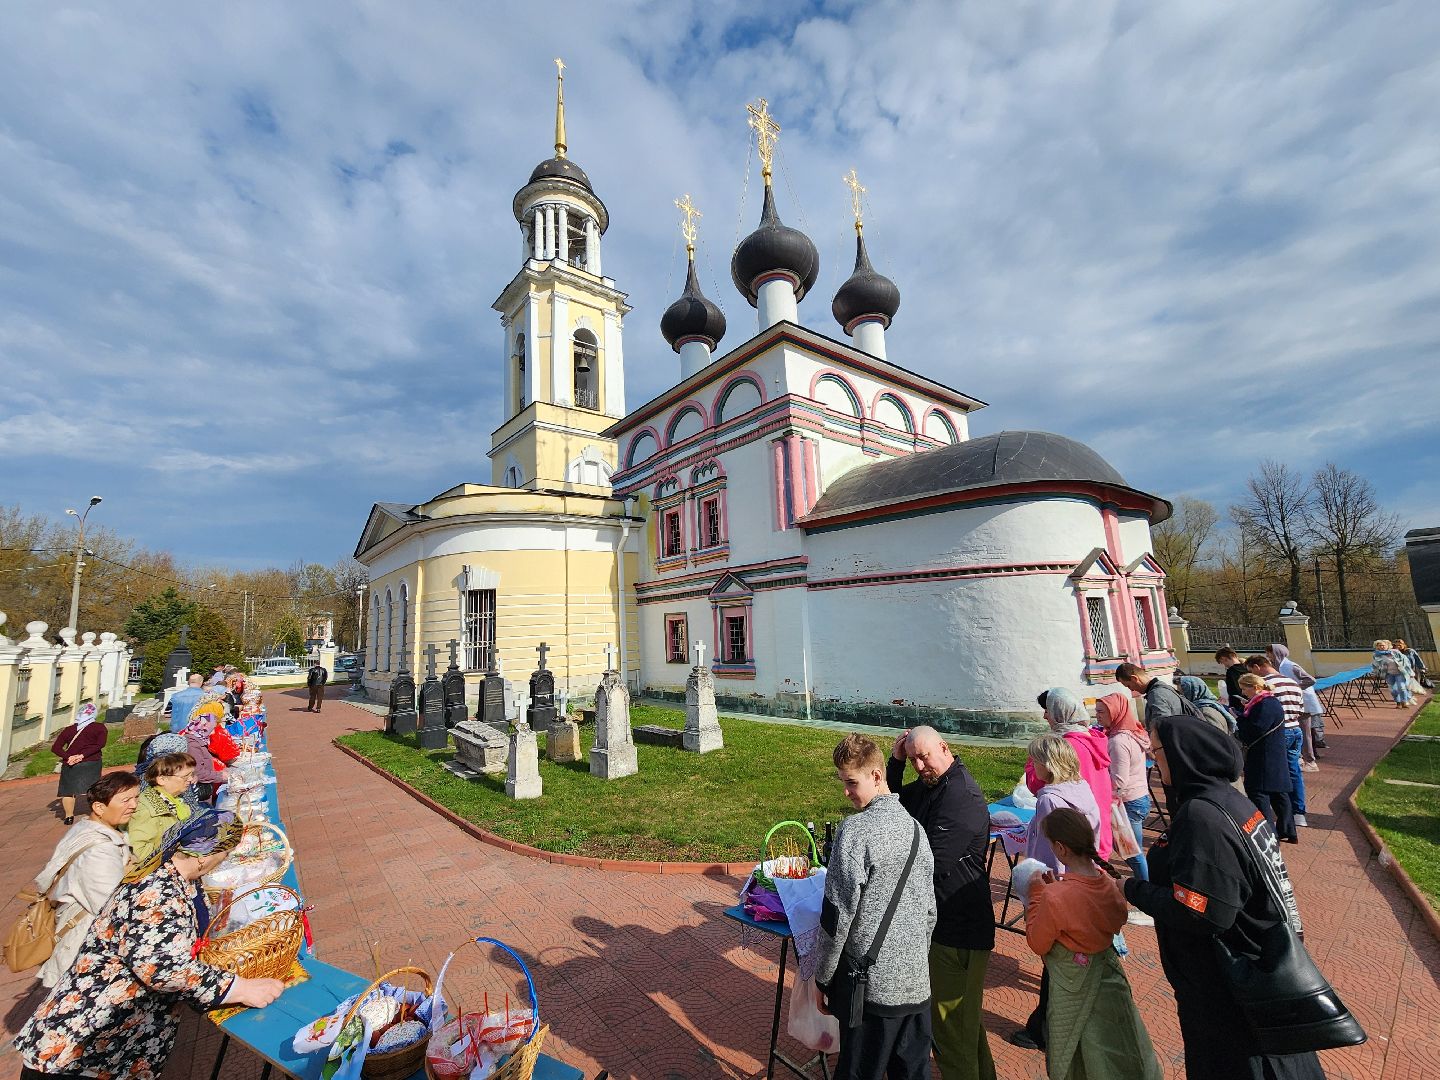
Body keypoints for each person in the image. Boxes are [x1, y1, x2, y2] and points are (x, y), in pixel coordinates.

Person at [1124, 714, 1324, 1079]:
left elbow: (1200, 911)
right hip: (1255, 964)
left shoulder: (1202, 817)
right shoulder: (1231, 800)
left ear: (1184, 755)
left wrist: (1130, 888)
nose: (1154, 760)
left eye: (1158, 752)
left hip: (1227, 983)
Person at [13, 812, 285, 1079]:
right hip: (79, 1050)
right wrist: (240, 988)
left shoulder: (171, 876)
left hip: (105, 1045)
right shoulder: (155, 894)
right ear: (202, 856)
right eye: (224, 854)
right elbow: (164, 969)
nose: (225, 860)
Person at [816, 733, 937, 1080]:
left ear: (876, 776)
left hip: (871, 990)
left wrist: (822, 979)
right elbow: (929, 911)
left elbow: (837, 916)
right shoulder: (916, 829)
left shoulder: (855, 832)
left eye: (851, 782)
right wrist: (914, 960)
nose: (846, 792)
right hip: (916, 987)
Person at [888, 727, 996, 1080]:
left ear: (944, 748)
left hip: (958, 934)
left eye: (925, 756)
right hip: (944, 928)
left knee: (951, 1037)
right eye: (914, 758)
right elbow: (893, 805)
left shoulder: (960, 797)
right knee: (963, 1029)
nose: (920, 765)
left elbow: (927, 865)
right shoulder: (935, 784)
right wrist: (896, 761)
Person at [1024, 808, 1162, 1080]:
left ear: (1060, 848)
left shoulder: (1054, 897)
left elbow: (1038, 943)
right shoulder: (1109, 882)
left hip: (1072, 986)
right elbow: (1117, 918)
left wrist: (1037, 896)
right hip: (1109, 978)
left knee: (1077, 1057)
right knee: (1115, 1051)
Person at [1012, 734, 1102, 1052]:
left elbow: (1048, 852)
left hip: (1057, 886)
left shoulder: (1049, 798)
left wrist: (1036, 889)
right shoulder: (1081, 789)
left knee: (1054, 961)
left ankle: (1046, 1031)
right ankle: (1046, 1026)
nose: (1032, 767)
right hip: (1082, 881)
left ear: (1047, 764)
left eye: (1035, 760)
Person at [31, 772, 140, 988]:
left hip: (88, 932)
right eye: (125, 800)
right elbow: (111, 905)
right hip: (88, 941)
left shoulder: (89, 828)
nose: (134, 805)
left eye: (136, 798)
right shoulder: (99, 850)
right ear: (99, 808)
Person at [1023, 689, 1112, 859]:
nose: (1045, 716)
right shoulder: (1092, 737)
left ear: (1059, 712)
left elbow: (1037, 784)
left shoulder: (1063, 746)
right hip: (1097, 827)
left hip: (1073, 840)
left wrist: (1033, 760)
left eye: (1047, 711)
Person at [1247, 654, 1312, 828]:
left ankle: (1282, 813)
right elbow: (1300, 710)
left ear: (1256, 667)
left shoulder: (1266, 685)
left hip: (1279, 733)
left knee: (1277, 774)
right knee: (1294, 770)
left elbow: (1264, 711)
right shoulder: (1292, 683)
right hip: (1295, 729)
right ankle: (1298, 812)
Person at [1235, 673, 1297, 843]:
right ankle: (1288, 830)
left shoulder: (1264, 704)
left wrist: (1239, 718)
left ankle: (1268, 833)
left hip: (1264, 754)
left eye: (1244, 688)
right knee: (1279, 792)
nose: (1243, 691)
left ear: (1255, 687)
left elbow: (1256, 729)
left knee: (1259, 792)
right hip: (1274, 753)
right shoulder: (1269, 701)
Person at [1096, 691, 1150, 883]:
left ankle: (1145, 891)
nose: (1097, 716)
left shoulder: (1118, 741)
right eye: (1097, 711)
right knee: (1133, 851)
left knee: (1132, 854)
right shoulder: (1132, 732)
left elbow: (1119, 780)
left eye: (1102, 712)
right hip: (1139, 796)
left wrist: (1104, 799)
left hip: (1128, 801)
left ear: (1115, 712)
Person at [128, 751, 204, 866]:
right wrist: (178, 851)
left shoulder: (177, 801)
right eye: (185, 776)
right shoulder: (147, 809)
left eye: (192, 774)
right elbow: (137, 852)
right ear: (161, 779)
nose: (190, 780)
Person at [50, 702, 107, 824]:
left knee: (68, 790)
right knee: (94, 789)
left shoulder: (69, 730)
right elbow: (100, 744)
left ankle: (69, 817)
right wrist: (82, 756)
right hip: (91, 762)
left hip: (71, 764)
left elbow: (55, 748)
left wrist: (69, 757)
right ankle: (97, 813)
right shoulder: (99, 727)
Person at [1269, 643, 1327, 753]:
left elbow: (1311, 680)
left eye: (1269, 653)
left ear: (1277, 653)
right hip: (1293, 700)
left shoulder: (1290, 666)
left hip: (1303, 700)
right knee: (1302, 729)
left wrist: (1295, 687)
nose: (1268, 656)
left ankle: (1310, 758)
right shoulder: (1277, 666)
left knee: (1306, 730)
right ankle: (1305, 754)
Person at [181, 698, 239, 803]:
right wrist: (221, 775)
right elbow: (198, 772)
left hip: (206, 786)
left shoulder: (196, 738)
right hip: (200, 794)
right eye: (211, 730)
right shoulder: (193, 744)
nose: (213, 733)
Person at [1115, 663, 1190, 728]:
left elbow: (1162, 727)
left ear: (1134, 679)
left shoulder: (1156, 695)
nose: (1131, 690)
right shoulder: (1165, 689)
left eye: (1128, 686)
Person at [1372, 640, 1415, 708]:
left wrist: (1410, 672)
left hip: (1400, 672)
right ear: (1377, 647)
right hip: (1389, 674)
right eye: (1380, 646)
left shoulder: (1395, 652)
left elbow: (1405, 661)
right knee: (1393, 690)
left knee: (1402, 687)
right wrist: (1374, 673)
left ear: (1387, 645)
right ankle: (1398, 702)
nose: (1382, 647)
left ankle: (1404, 702)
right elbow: (1375, 665)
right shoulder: (1376, 655)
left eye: (1383, 645)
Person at [1214, 647, 1251, 713]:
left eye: (1222, 662)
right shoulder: (1248, 667)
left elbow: (1235, 690)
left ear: (1224, 658)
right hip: (1251, 701)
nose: (1224, 665)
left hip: (1237, 706)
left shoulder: (1231, 671)